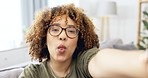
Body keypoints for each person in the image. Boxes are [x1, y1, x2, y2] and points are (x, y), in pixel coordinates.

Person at [19, 4, 148, 78]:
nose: (63, 36)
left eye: (71, 31)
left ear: (78, 40)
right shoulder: (33, 74)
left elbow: (101, 61)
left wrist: (141, 60)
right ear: (44, 37)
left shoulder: (83, 63)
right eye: (55, 29)